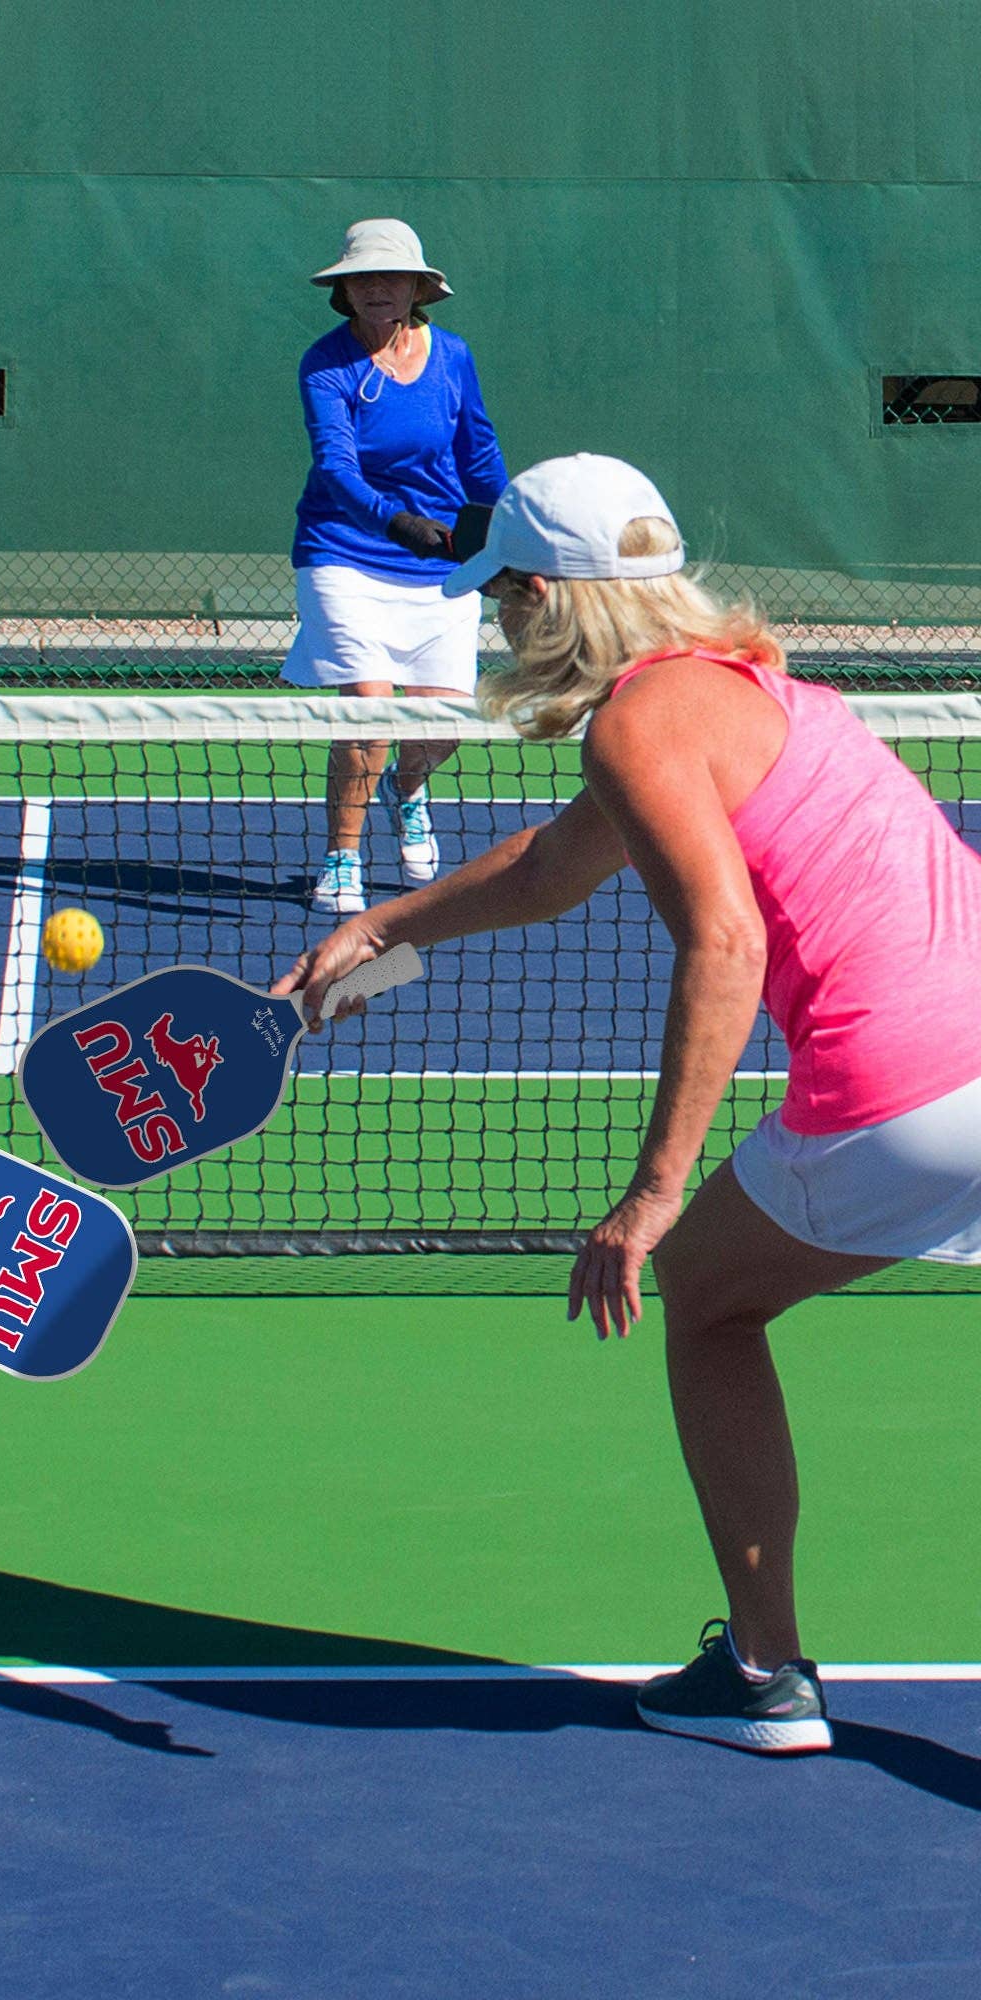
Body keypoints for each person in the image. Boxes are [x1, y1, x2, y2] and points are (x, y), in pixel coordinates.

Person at [274, 452, 981, 1756]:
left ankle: (769, 1674)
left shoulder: (641, 721)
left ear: (550, 595)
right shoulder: (744, 691)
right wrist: (384, 936)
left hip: (903, 1088)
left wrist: (653, 1195)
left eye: (505, 597)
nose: (495, 619)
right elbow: (553, 869)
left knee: (709, 1302)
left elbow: (725, 943)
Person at [284, 218, 508, 916]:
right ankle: (342, 859)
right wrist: (400, 524)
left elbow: (478, 453)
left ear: (418, 288)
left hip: (440, 562)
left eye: (391, 277)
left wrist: (505, 530)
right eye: (362, 278)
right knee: (370, 714)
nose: (377, 288)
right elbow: (337, 469)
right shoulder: (325, 365)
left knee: (439, 728)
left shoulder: (453, 357)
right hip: (344, 551)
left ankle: (407, 789)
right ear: (344, 291)